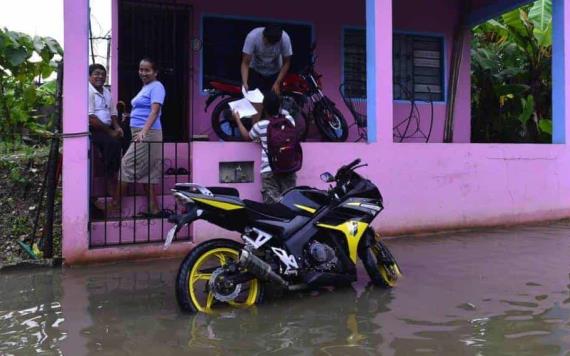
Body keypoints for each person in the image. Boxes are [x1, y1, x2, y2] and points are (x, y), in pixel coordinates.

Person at [111, 58, 166, 217]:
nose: (143, 73)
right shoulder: (146, 87)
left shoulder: (157, 86)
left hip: (147, 133)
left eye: (147, 70)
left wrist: (143, 131)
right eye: (141, 69)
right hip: (140, 131)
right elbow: (143, 108)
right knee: (147, 171)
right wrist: (130, 115)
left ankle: (115, 204)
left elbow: (155, 111)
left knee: (126, 163)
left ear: (155, 72)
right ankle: (154, 209)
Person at [233, 92, 297, 204]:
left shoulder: (260, 126)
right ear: (279, 106)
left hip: (269, 169)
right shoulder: (289, 120)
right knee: (290, 204)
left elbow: (247, 137)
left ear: (265, 108)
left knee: (272, 209)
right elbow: (284, 113)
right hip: (288, 167)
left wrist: (238, 119)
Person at [88, 64, 123, 210]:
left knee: (125, 137)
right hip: (94, 130)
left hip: (107, 128)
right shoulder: (87, 91)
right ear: (89, 75)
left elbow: (113, 113)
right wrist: (111, 132)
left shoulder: (107, 92)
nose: (100, 77)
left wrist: (117, 127)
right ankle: (111, 179)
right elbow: (91, 118)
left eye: (103, 74)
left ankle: (123, 172)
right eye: (96, 74)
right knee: (113, 143)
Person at [241, 24, 293, 95]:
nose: (268, 46)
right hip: (256, 70)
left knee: (274, 99)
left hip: (275, 72)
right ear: (264, 35)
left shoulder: (285, 39)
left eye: (271, 44)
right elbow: (245, 62)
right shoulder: (252, 37)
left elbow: (287, 62)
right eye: (267, 42)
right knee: (254, 98)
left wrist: (277, 82)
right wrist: (245, 82)